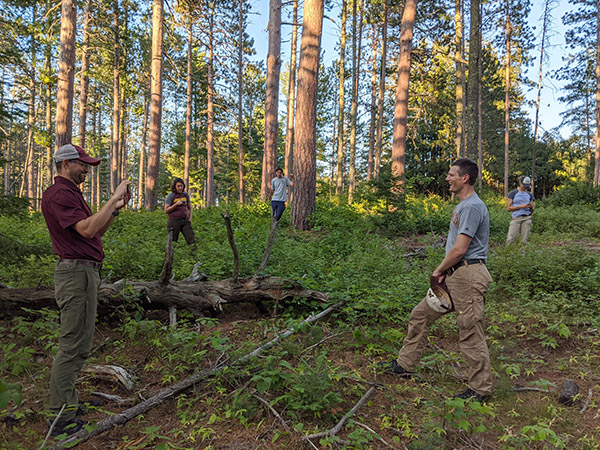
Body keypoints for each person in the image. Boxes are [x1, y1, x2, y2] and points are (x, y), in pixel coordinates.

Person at [379, 158, 494, 402]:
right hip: (455, 275)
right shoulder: (463, 206)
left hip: (468, 276)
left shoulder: (472, 207)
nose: (447, 178)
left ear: (465, 178)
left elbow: (461, 249)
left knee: (470, 330)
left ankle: (480, 389)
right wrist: (445, 272)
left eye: (451, 174)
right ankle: (405, 364)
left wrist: (437, 271)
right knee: (420, 314)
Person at [42, 143, 131, 436]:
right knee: (71, 346)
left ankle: (67, 404)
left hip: (84, 271)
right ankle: (59, 419)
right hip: (75, 273)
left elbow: (96, 231)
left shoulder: (71, 194)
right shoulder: (59, 194)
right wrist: (112, 197)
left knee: (80, 344)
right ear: (65, 164)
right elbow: (87, 230)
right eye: (83, 165)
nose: (87, 171)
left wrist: (114, 210)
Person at [164, 178, 196, 249]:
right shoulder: (171, 196)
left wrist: (190, 219)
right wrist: (175, 205)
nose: (180, 188)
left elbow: (190, 207)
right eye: (178, 186)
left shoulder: (185, 195)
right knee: (173, 241)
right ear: (175, 187)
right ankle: (171, 257)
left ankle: (195, 258)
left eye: (181, 186)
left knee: (191, 240)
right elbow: (166, 210)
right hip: (174, 221)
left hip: (185, 220)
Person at [506, 176, 535, 245]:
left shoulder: (529, 195)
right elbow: (508, 208)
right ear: (520, 183)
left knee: (524, 240)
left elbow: (532, 209)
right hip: (516, 218)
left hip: (527, 218)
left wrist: (531, 208)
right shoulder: (513, 193)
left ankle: (522, 254)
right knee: (511, 238)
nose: (525, 187)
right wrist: (520, 206)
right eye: (524, 185)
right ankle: (508, 253)